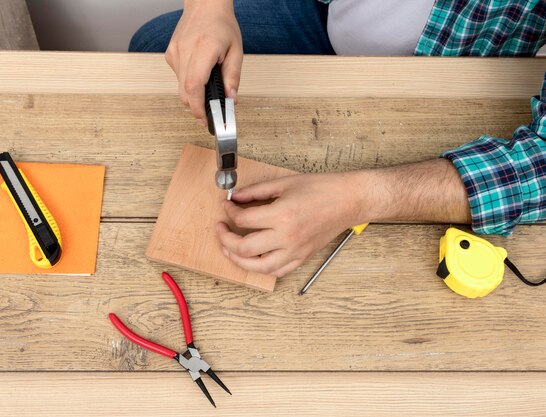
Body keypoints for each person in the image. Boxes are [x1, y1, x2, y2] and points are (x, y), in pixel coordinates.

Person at [131, 1, 546, 278]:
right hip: (321, 16)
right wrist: (208, 8)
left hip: (443, 73)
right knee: (151, 46)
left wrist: (357, 198)